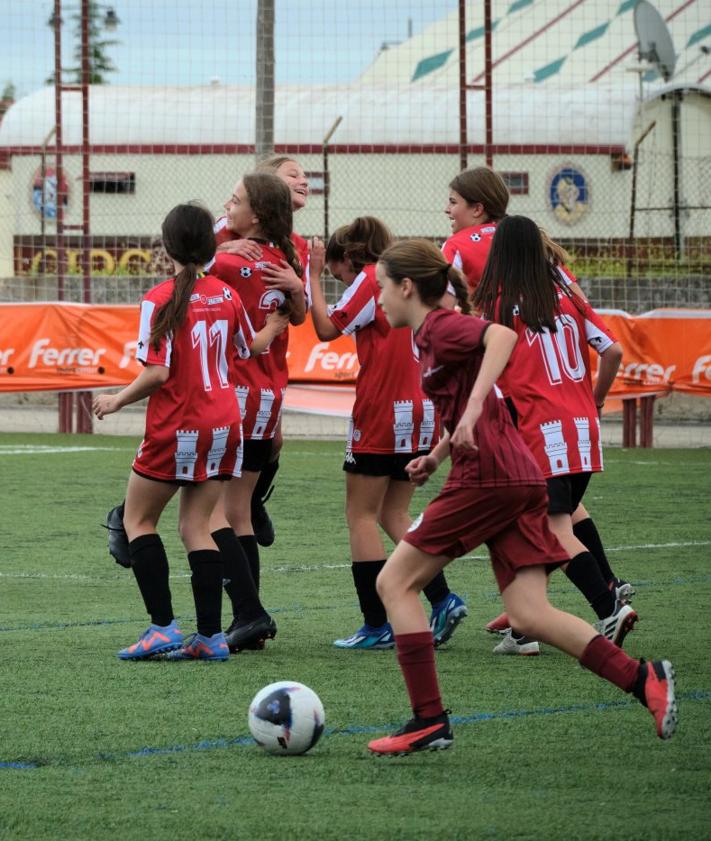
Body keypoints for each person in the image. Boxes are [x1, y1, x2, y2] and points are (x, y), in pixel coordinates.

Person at [365, 238, 677, 755]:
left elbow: (503, 339)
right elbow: (471, 398)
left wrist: (467, 418)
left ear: (405, 287)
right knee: (529, 614)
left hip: (488, 477)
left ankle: (428, 719)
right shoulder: (429, 333)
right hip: (517, 476)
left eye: (381, 289)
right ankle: (645, 679)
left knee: (394, 584)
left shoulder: (441, 326)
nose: (379, 300)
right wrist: (438, 455)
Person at [92, 203, 286, 661]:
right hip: (224, 421)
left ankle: (162, 628)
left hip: (177, 422)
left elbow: (157, 373)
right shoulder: (224, 293)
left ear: (167, 247)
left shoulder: (158, 298)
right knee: (196, 525)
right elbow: (250, 347)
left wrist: (115, 399)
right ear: (209, 248)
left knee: (138, 521)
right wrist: (276, 324)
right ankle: (211, 637)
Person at [472, 216, 634, 655]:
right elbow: (614, 350)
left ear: (500, 252)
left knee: (551, 528)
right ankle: (525, 628)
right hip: (582, 427)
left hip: (539, 429)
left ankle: (607, 607)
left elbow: (489, 371)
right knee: (530, 524)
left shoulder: (498, 304)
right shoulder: (568, 296)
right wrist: (595, 400)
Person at [308, 217, 467, 649]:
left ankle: (376, 625)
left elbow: (326, 329)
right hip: (422, 407)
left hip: (381, 409)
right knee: (393, 513)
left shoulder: (367, 279)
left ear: (349, 257)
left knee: (359, 516)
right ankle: (442, 597)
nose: (345, 281)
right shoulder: (413, 281)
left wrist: (310, 278)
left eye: (337, 271)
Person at [209, 172, 306, 652]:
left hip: (236, 393)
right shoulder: (283, 258)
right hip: (269, 395)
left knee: (212, 515)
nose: (229, 206)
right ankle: (250, 621)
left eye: (237, 200)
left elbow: (180, 270)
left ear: (258, 216)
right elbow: (300, 314)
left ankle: (249, 611)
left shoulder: (230, 262)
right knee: (240, 511)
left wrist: (218, 252)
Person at [215, 155, 320, 547]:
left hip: (264, 373)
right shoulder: (226, 231)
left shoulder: (295, 248)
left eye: (305, 175)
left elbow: (298, 317)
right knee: (204, 479)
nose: (303, 181)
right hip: (230, 373)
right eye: (293, 175)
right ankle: (130, 515)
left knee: (223, 498)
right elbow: (184, 262)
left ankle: (252, 503)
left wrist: (298, 285)